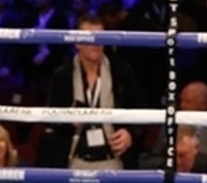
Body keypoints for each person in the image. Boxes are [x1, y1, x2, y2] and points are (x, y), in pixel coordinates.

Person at [39, 15, 146, 170]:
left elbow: (141, 108)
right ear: (76, 42)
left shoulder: (122, 71)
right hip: (74, 160)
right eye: (89, 37)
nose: (96, 43)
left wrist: (130, 133)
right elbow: (50, 118)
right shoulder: (62, 76)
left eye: (100, 37)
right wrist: (68, 120)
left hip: (114, 160)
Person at [139, 80, 207, 172]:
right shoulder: (170, 125)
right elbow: (149, 160)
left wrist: (194, 161)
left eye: (188, 101)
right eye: (181, 101)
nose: (182, 106)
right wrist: (173, 161)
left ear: (203, 105)